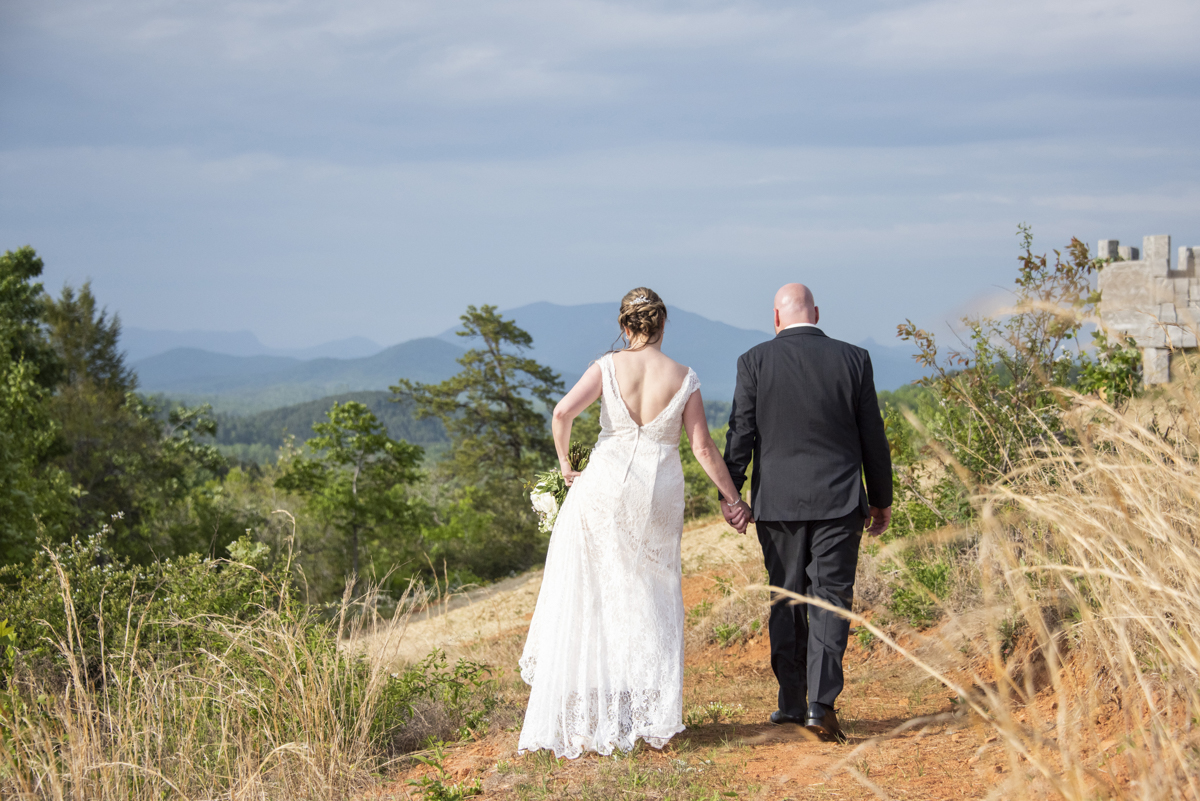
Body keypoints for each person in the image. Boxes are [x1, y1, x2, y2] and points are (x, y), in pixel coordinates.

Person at [517, 287, 751, 758]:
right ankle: (650, 715)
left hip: (604, 489)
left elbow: (562, 413)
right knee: (652, 596)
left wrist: (566, 468)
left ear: (626, 326)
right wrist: (733, 499)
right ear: (662, 325)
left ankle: (594, 718)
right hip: (658, 495)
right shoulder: (684, 377)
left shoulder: (606, 366)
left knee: (598, 597)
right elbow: (703, 448)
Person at [721, 283, 892, 743]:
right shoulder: (854, 359)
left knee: (786, 599)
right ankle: (821, 706)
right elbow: (872, 435)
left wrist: (731, 493)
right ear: (815, 313)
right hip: (839, 502)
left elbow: (741, 432)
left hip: (777, 505)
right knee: (831, 601)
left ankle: (790, 702)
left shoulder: (754, 361)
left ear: (776, 318)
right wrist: (881, 498)